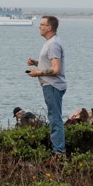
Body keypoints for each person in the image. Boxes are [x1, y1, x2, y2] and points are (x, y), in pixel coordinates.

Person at [27, 15, 66, 159]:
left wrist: (38, 72)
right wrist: (36, 63)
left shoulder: (53, 44)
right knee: (53, 116)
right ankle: (58, 150)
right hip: (50, 85)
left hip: (53, 85)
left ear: (49, 28)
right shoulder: (50, 42)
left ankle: (59, 152)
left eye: (42, 24)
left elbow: (56, 69)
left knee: (55, 117)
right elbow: (50, 65)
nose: (39, 27)